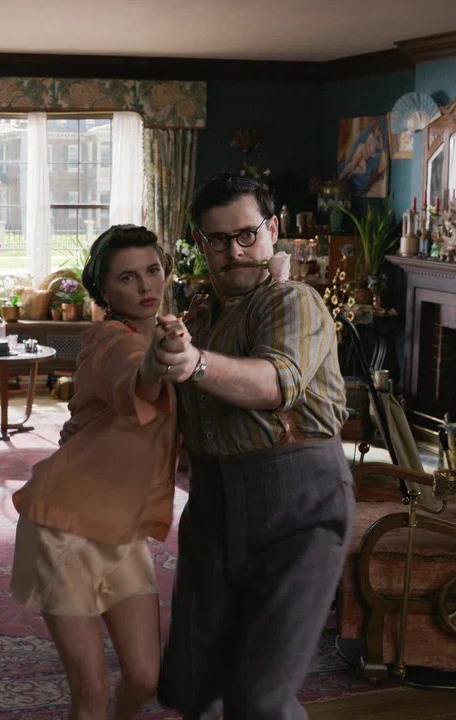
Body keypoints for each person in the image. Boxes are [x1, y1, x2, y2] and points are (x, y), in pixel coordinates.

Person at [152, 173, 355, 719]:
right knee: (192, 684)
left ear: (273, 229)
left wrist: (195, 364)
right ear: (201, 244)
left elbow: (275, 383)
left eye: (247, 234)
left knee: (258, 698)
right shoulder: (201, 314)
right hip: (213, 505)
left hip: (298, 507)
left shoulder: (294, 301)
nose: (235, 251)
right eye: (218, 240)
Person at [11, 224, 177, 720]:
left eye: (153, 270)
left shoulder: (165, 336)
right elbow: (138, 377)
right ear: (104, 291)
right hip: (61, 525)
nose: (145, 286)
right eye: (128, 277)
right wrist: (158, 362)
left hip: (120, 528)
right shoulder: (110, 340)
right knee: (91, 690)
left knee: (145, 678)